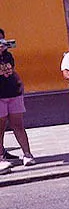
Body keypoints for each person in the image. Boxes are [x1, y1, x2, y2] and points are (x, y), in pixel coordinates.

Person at [0, 28, 35, 167]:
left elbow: (10, 71)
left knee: (18, 125)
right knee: (0, 127)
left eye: (2, 39)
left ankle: (27, 154)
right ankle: (1, 159)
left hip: (13, 93)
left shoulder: (8, 56)